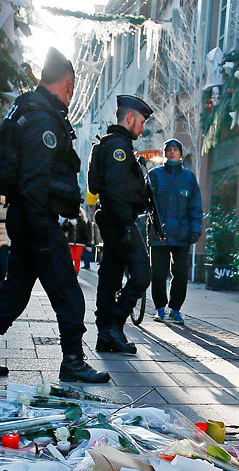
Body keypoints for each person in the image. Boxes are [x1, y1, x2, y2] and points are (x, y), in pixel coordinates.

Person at [0, 48, 109, 383]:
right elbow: (35, 178)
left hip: (25, 216)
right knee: (68, 292)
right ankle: (72, 361)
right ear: (69, 83)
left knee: (16, 290)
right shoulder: (43, 118)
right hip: (36, 218)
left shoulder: (26, 109)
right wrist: (43, 226)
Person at [90, 96, 155, 353]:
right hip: (120, 221)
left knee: (111, 275)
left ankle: (106, 334)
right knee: (142, 274)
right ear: (129, 118)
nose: (142, 128)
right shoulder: (119, 148)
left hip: (114, 220)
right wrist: (127, 227)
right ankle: (113, 326)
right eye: (140, 122)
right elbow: (116, 190)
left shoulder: (112, 145)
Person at [147, 138, 203, 324]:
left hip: (182, 233)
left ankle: (175, 308)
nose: (172, 152)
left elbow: (195, 206)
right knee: (158, 272)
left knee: (180, 272)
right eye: (168, 150)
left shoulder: (188, 178)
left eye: (175, 150)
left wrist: (195, 229)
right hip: (158, 233)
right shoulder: (154, 175)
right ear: (165, 153)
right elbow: (145, 202)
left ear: (180, 153)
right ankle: (159, 307)